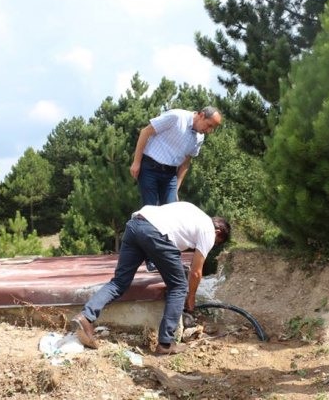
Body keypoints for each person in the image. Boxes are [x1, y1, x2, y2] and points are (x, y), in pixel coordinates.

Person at [70, 201, 231, 355]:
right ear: (217, 233)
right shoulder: (208, 231)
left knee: (119, 282)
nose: (212, 245)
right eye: (216, 243)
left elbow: (164, 237)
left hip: (135, 225)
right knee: (179, 287)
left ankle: (86, 316)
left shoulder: (193, 211)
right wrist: (191, 297)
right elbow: (196, 271)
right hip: (155, 234)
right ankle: (166, 343)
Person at [130, 106, 223, 272]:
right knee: (151, 212)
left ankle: (168, 259)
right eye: (209, 125)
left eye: (213, 129)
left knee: (174, 215)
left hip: (170, 175)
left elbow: (186, 161)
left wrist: (177, 186)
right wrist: (136, 162)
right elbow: (145, 132)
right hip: (150, 167)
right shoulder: (176, 117)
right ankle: (151, 259)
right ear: (201, 115)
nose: (209, 131)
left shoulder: (198, 138)